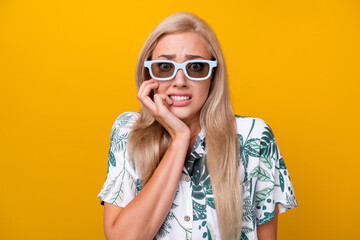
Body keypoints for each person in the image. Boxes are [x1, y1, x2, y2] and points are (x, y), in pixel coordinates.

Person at [97, 11, 298, 240]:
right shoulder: (128, 131)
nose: (180, 81)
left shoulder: (253, 136)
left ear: (213, 74)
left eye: (196, 67)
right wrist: (179, 138)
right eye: (165, 67)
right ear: (148, 74)